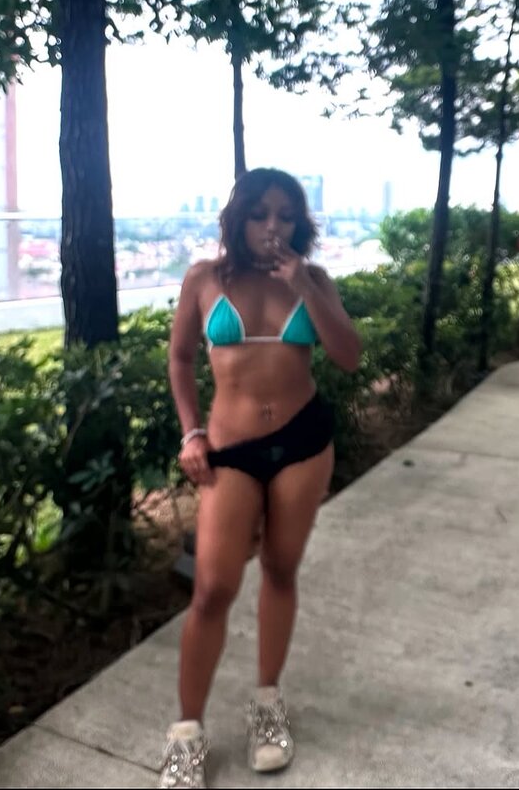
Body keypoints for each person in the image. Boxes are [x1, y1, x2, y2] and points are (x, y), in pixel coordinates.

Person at [159, 168, 362, 789]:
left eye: (286, 215)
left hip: (303, 442)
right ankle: (187, 734)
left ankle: (268, 705)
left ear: (299, 223)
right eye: (260, 214)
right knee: (212, 589)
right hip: (231, 450)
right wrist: (192, 433)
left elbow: (348, 356)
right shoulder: (204, 279)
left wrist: (304, 286)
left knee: (280, 569)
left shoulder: (313, 280)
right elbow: (181, 358)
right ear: (238, 218)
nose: (273, 226)